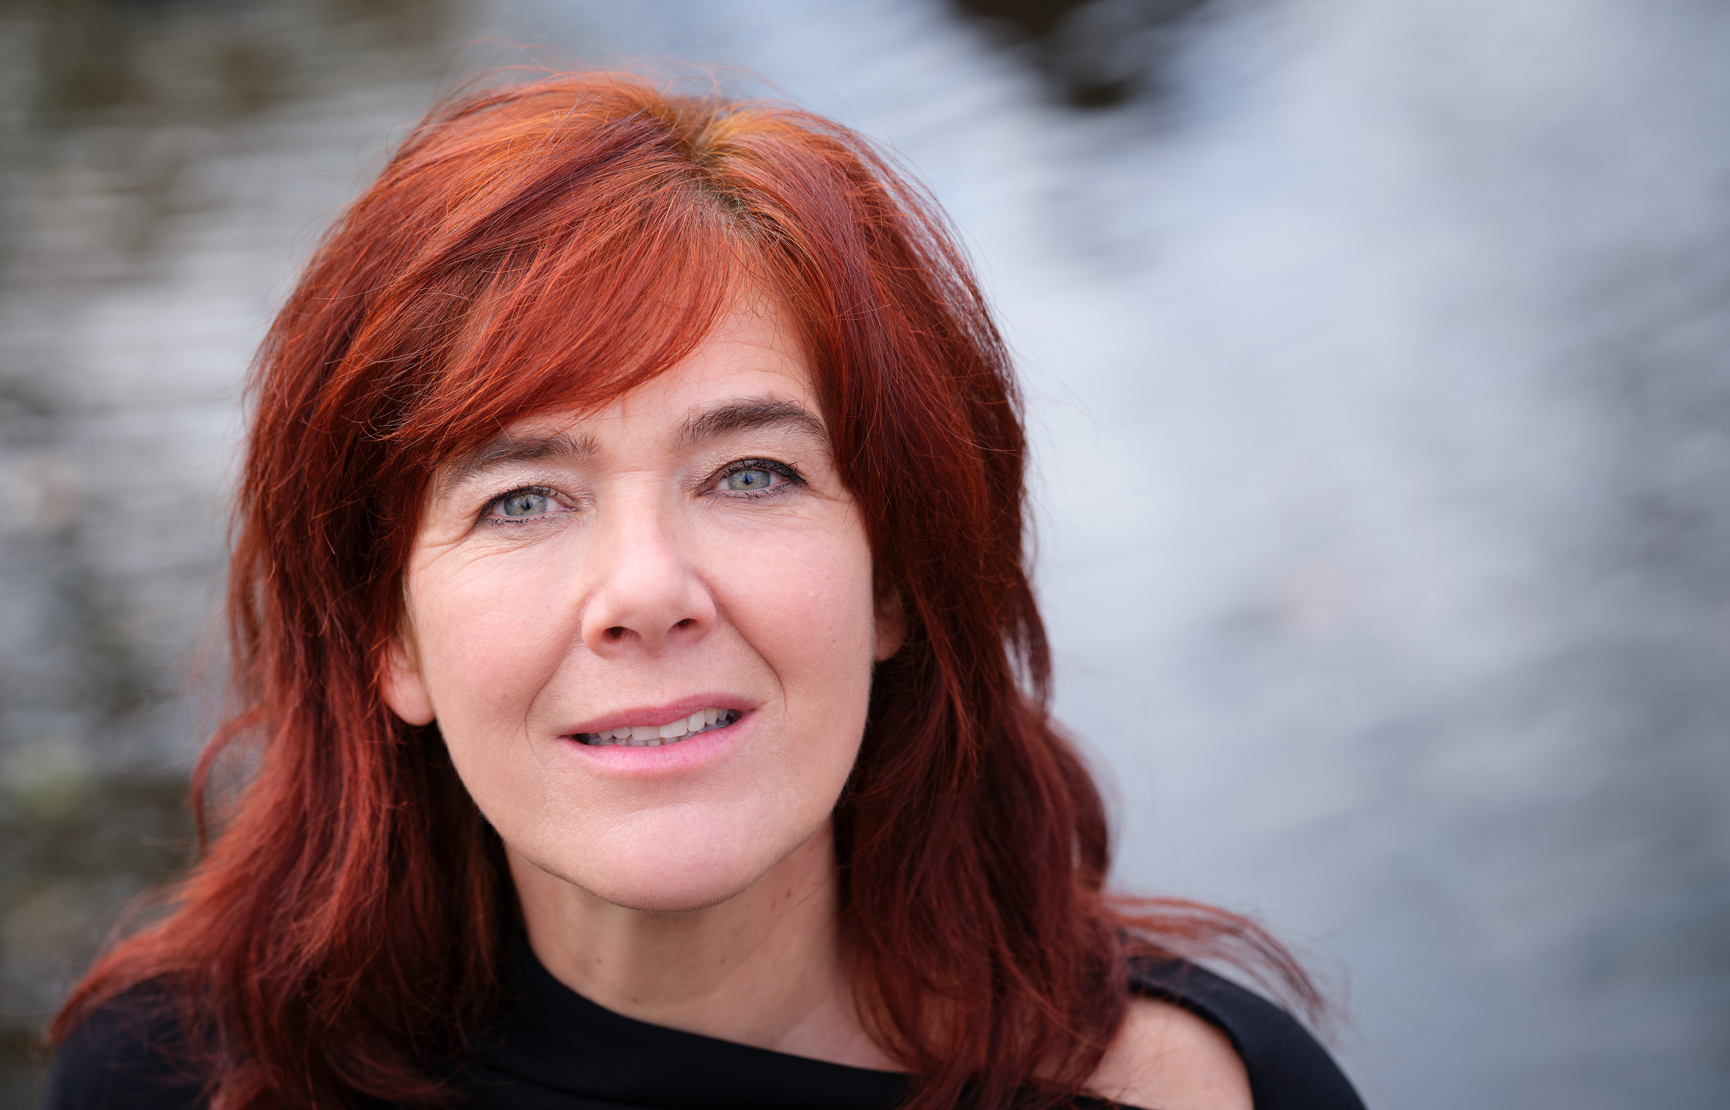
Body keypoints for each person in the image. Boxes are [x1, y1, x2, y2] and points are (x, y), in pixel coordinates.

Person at [43, 70, 1366, 1110]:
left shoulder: (1206, 1093)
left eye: (749, 474)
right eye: (523, 499)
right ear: (388, 639)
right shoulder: (184, 1074)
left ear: (897, 578)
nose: (646, 589)